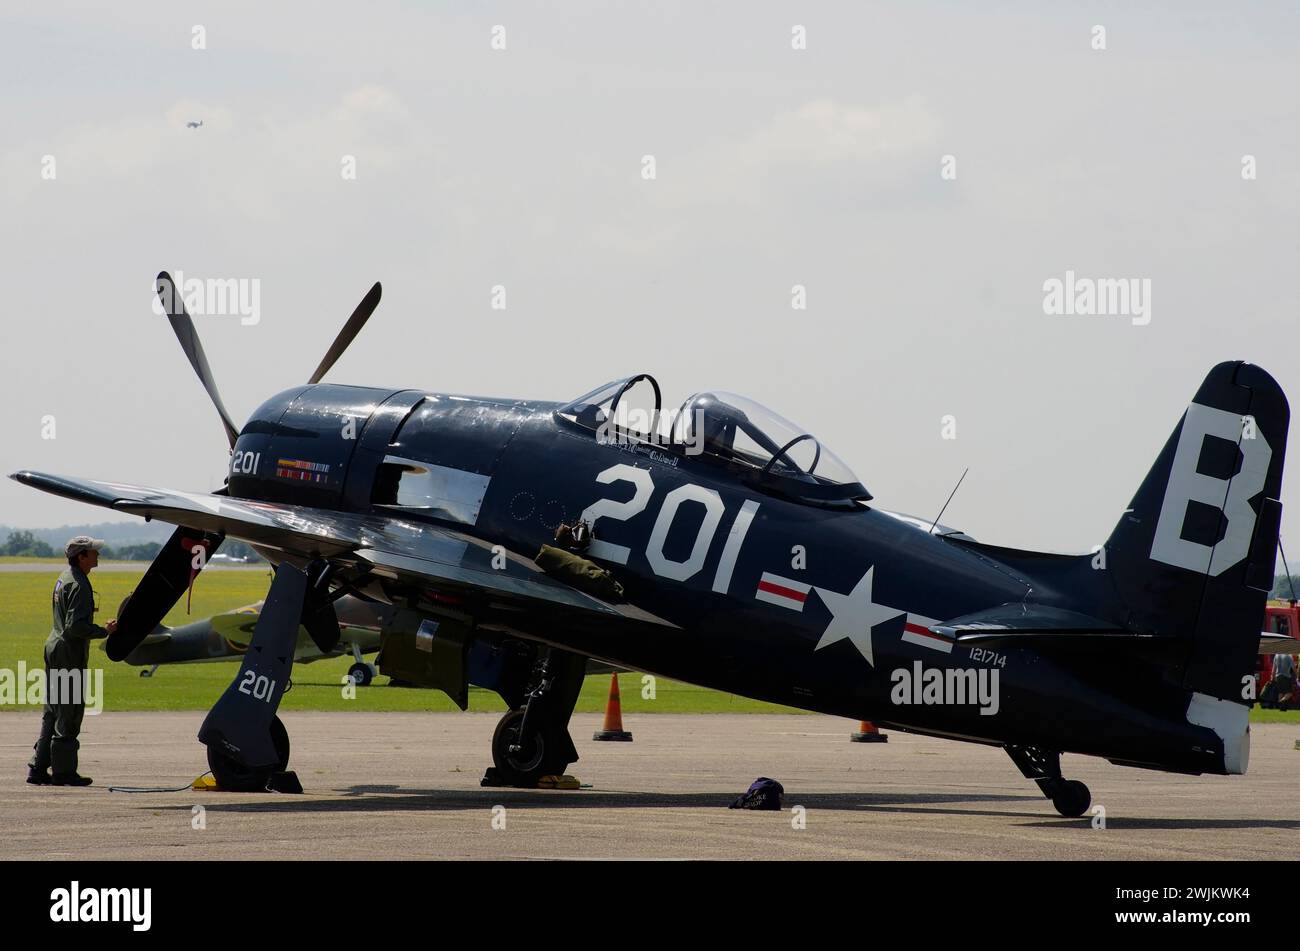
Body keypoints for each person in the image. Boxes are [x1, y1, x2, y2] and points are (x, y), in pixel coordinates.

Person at [26, 536, 117, 786]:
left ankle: (38, 767)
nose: (97, 555)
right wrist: (104, 631)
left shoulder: (64, 577)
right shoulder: (79, 584)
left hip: (54, 646)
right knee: (70, 711)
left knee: (52, 711)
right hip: (68, 652)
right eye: (93, 552)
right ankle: (63, 772)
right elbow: (75, 627)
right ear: (81, 557)